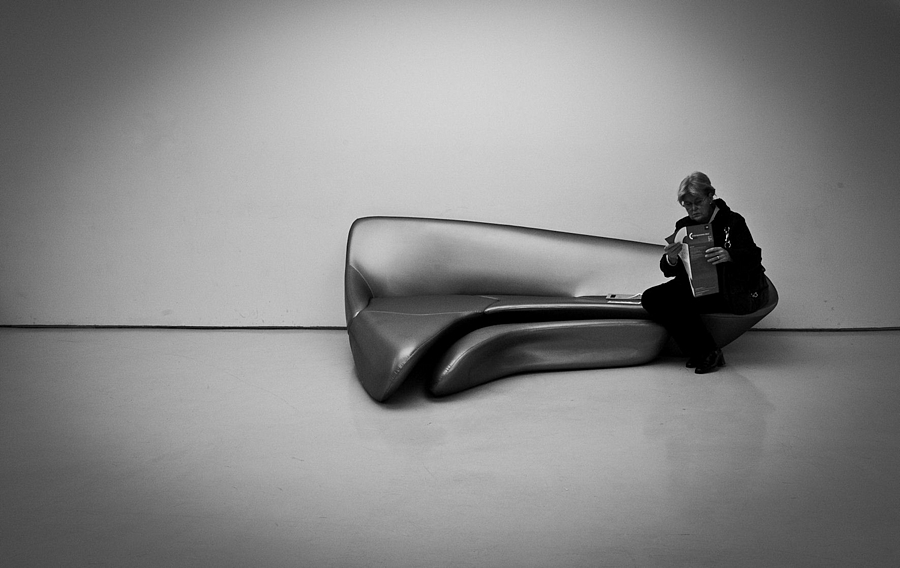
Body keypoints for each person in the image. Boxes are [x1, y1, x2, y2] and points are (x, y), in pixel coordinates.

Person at [641, 172, 768, 374]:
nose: (693, 209)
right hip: (696, 285)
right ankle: (705, 351)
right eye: (687, 204)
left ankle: (705, 352)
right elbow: (669, 271)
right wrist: (671, 258)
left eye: (698, 202)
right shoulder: (683, 225)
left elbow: (754, 257)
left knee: (682, 300)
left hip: (728, 289)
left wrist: (729, 255)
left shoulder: (733, 221)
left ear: (710, 196)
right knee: (652, 297)